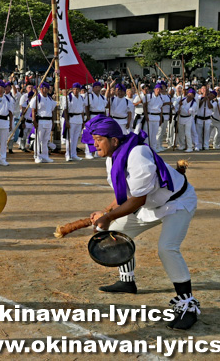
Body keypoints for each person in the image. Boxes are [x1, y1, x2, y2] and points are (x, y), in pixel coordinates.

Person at [83, 115, 200, 330]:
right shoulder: (113, 157)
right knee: (116, 232)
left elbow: (138, 199)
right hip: (150, 203)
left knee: (167, 248)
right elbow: (125, 195)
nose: (94, 144)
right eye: (94, 139)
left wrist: (108, 217)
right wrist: (106, 211)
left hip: (177, 202)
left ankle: (187, 305)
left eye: (99, 139)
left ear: (114, 140)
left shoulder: (137, 154)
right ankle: (127, 281)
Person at [29, 82, 57, 163]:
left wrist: (53, 122)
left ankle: (45, 155)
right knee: (38, 139)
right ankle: (37, 156)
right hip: (40, 120)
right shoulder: (37, 98)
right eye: (43, 88)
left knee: (46, 140)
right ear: (40, 89)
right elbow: (33, 111)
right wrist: (34, 121)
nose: (44, 90)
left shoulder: (50, 99)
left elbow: (52, 111)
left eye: (46, 88)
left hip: (48, 121)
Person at [62, 82, 85, 162]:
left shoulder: (81, 98)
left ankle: (74, 154)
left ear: (79, 90)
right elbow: (65, 110)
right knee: (70, 138)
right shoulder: (69, 97)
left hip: (79, 119)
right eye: (74, 89)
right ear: (72, 89)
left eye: (77, 89)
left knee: (76, 138)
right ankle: (68, 154)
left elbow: (82, 110)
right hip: (71, 119)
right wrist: (67, 121)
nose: (75, 91)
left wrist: (83, 121)